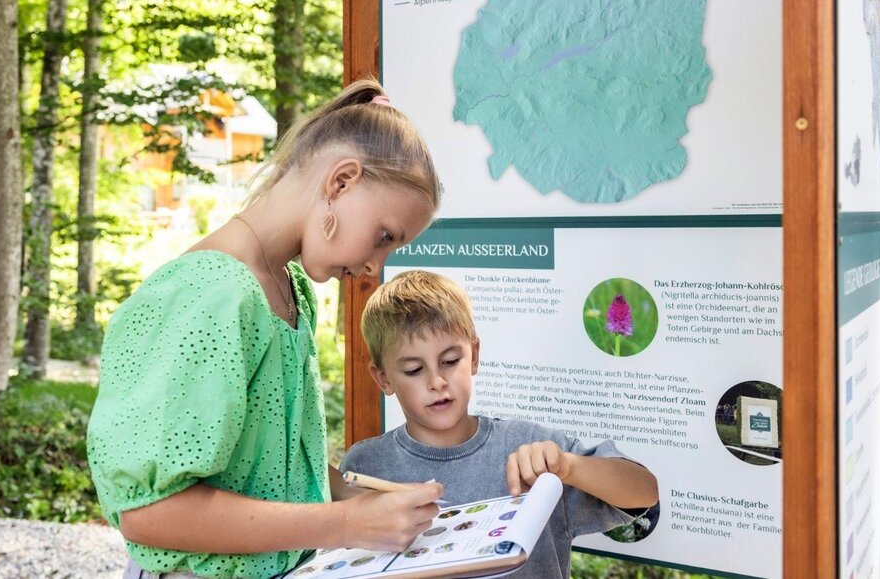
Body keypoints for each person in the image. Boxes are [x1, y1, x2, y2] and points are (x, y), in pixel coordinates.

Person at [86, 79, 445, 579]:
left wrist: (359, 498)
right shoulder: (212, 294)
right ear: (340, 182)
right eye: (384, 237)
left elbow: (268, 465)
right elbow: (151, 514)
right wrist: (344, 523)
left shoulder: (289, 288)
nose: (374, 266)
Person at [340, 270, 660, 579]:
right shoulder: (366, 466)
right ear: (382, 378)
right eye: (413, 370)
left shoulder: (529, 446)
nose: (437, 381)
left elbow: (644, 491)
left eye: (451, 361)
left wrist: (568, 467)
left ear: (474, 355)